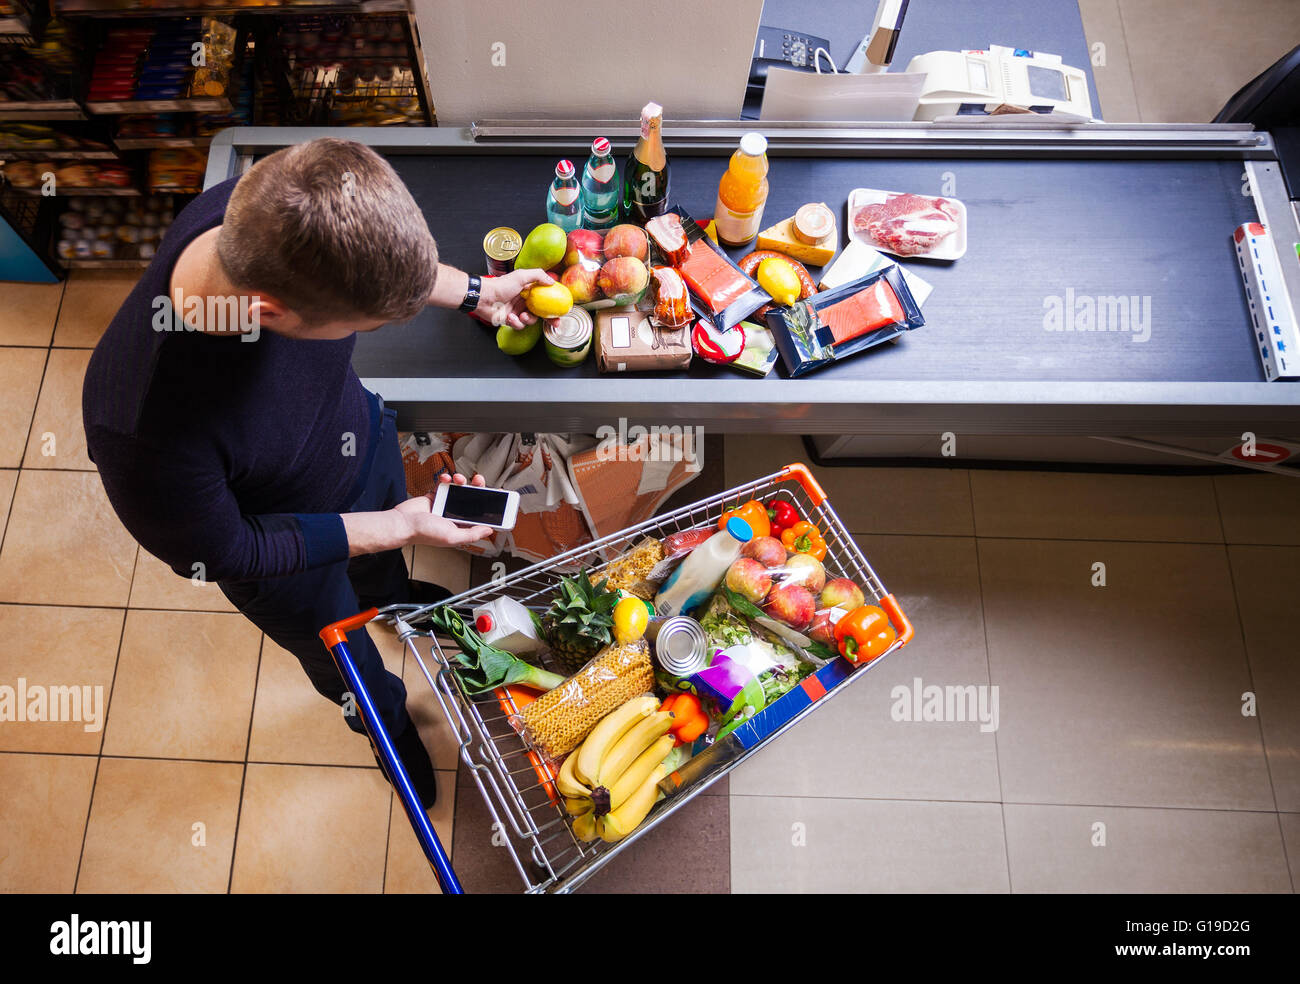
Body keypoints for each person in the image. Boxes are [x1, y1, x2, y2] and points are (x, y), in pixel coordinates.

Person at [82, 137, 552, 808]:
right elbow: (231, 551)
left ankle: (390, 597)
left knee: (383, 575)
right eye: (361, 327)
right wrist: (391, 524)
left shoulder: (264, 211)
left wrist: (479, 291)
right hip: (288, 557)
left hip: (358, 446)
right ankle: (382, 721)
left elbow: (390, 271)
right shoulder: (145, 433)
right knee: (346, 660)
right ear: (267, 314)